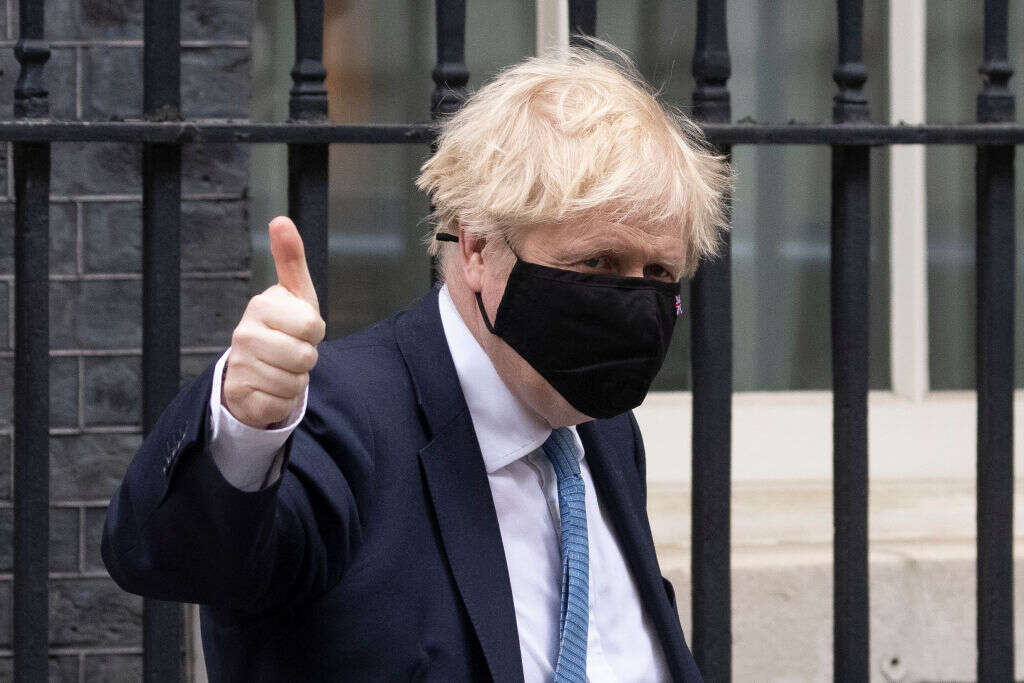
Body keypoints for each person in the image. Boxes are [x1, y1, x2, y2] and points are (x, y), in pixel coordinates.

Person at [102, 38, 732, 682]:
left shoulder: (601, 432)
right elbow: (178, 562)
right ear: (478, 249)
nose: (634, 301)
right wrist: (244, 424)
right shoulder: (340, 417)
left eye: (660, 272)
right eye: (596, 262)